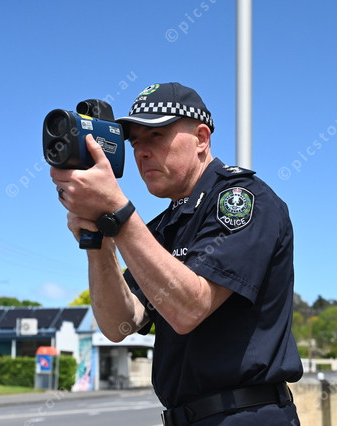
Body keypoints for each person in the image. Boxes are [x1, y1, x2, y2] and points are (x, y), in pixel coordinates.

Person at [50, 82, 303, 425]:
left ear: (201, 138)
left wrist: (120, 214)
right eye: (135, 142)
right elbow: (119, 323)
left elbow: (190, 308)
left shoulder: (242, 200)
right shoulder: (162, 227)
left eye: (156, 135)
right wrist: (100, 243)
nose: (142, 152)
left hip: (246, 414)